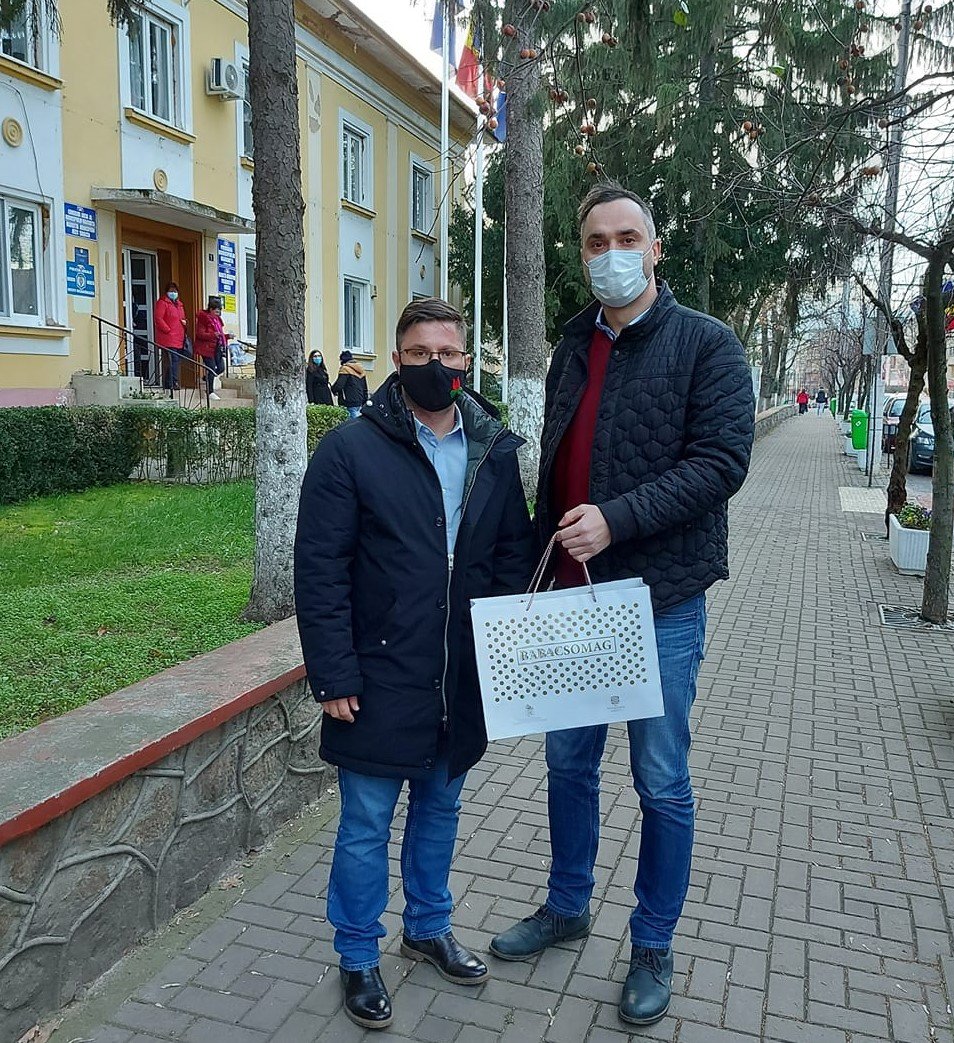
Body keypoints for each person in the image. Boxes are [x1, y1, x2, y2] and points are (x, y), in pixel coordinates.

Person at [489, 181, 756, 1026]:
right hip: (573, 601)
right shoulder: (573, 345)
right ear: (582, 255)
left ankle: (653, 941)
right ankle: (567, 905)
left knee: (660, 778)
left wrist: (617, 518)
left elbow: (720, 463)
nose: (611, 253)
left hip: (658, 600)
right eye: (596, 241)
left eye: (626, 237)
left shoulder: (706, 344)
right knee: (567, 764)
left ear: (655, 248)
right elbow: (555, 467)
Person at [294, 298, 536, 1031]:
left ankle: (428, 926)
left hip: (458, 676)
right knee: (366, 822)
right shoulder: (350, 450)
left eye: (449, 353)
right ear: (397, 360)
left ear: (466, 361)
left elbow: (509, 557)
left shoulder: (493, 449)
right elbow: (320, 569)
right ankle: (357, 954)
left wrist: (502, 656)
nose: (437, 365)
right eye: (422, 353)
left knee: (440, 808)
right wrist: (333, 673)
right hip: (377, 675)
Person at [153, 282, 187, 391]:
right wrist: (167, 329)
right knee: (174, 359)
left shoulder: (179, 305)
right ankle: (173, 382)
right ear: (167, 292)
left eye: (175, 291)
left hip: (179, 337)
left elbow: (181, 318)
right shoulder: (162, 303)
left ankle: (169, 382)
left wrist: (184, 322)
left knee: (175, 360)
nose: (173, 293)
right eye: (171, 291)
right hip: (168, 337)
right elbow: (158, 318)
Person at [193, 296, 228, 401]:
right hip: (206, 348)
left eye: (219, 310)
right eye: (216, 310)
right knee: (211, 367)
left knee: (221, 367)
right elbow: (200, 334)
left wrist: (227, 337)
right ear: (211, 309)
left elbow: (220, 335)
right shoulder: (204, 319)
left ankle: (207, 378)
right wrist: (213, 335)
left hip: (217, 347)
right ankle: (210, 392)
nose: (218, 313)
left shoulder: (218, 320)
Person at [332, 350, 370, 418]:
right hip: (360, 401)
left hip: (348, 401)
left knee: (351, 422)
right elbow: (365, 387)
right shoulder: (361, 369)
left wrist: (333, 389)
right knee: (358, 421)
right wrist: (364, 400)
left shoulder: (345, 369)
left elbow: (339, 385)